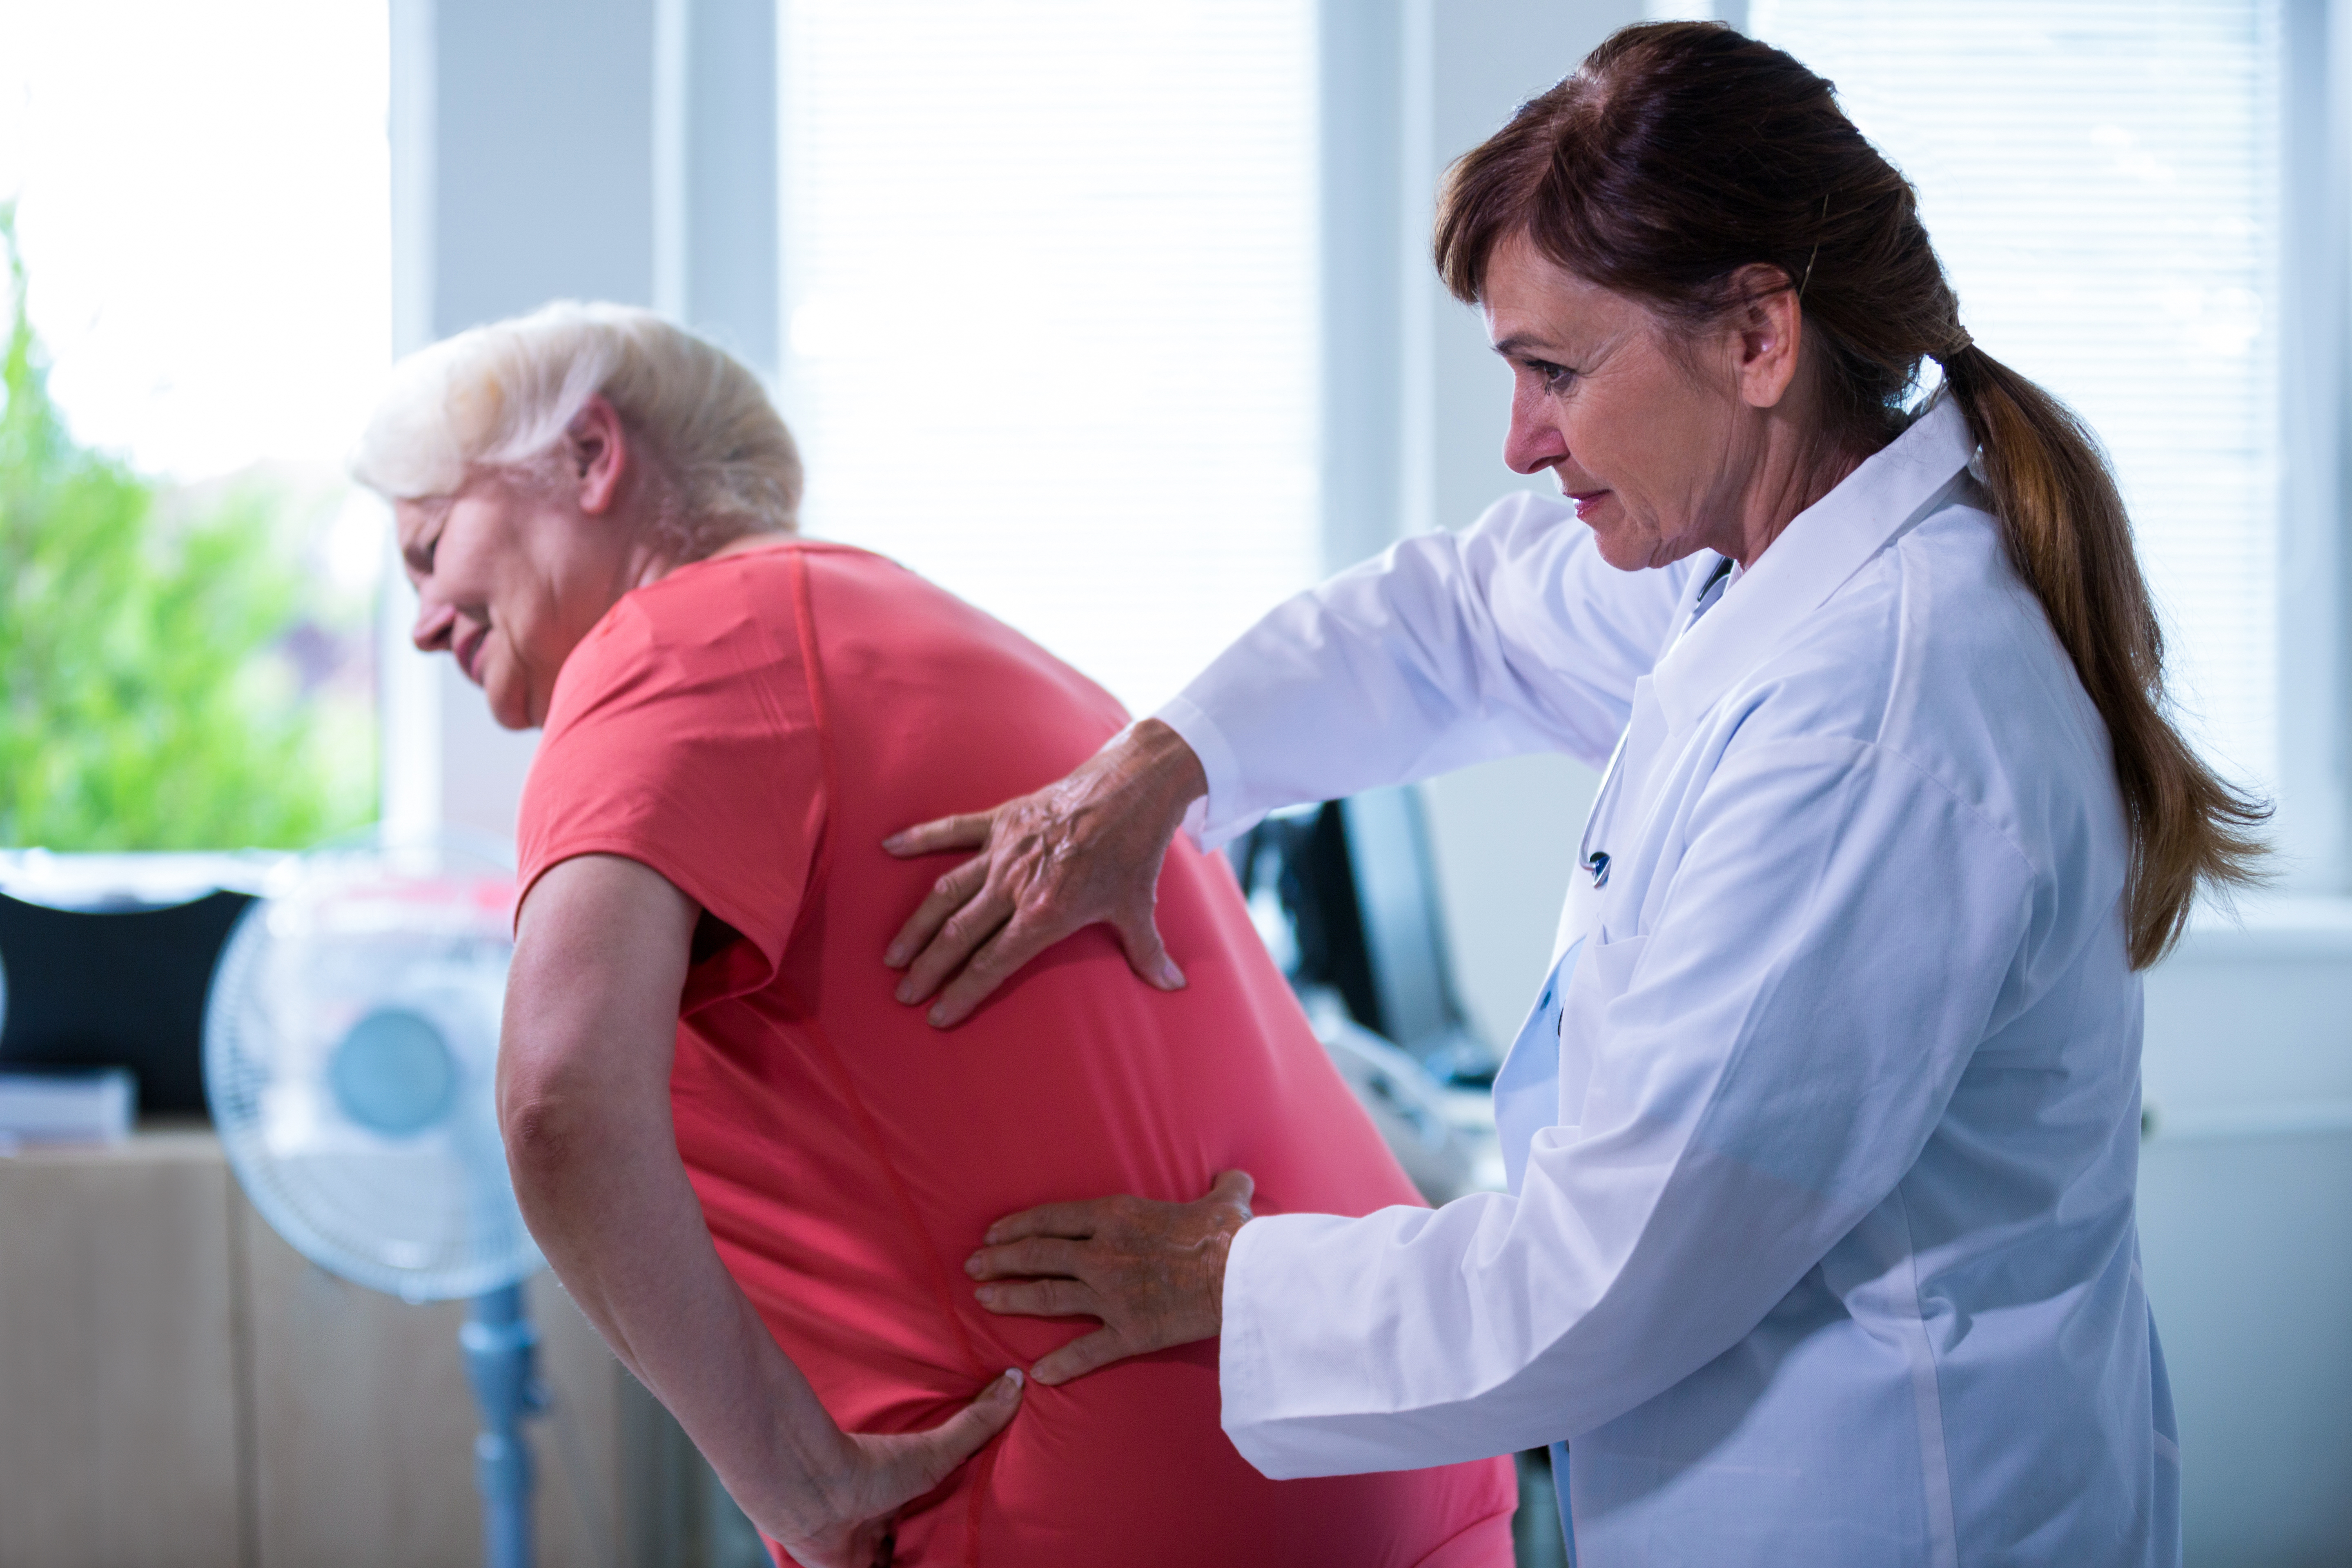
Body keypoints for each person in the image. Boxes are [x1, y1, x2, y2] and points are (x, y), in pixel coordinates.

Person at [884, 22, 2267, 1568]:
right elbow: (1460, 622)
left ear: (1759, 338)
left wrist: (1228, 1281)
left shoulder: (1875, 721)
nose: (1523, 440)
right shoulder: (1767, 569)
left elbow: (1604, 1274)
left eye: (1558, 371)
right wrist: (1164, 769)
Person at [349, 303, 1515, 1568]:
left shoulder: (669, 646)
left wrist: (792, 1477)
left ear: (590, 458)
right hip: (1388, 1425)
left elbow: (559, 1101)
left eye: (428, 546)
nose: (420, 622)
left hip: (1125, 1493)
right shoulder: (935, 636)